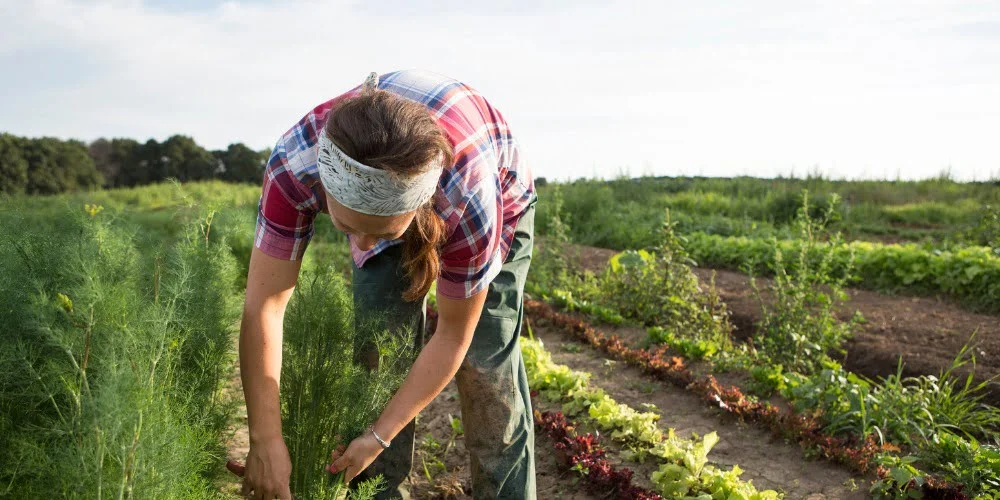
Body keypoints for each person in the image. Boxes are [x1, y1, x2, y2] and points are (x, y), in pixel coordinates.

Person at [238, 70, 537, 500]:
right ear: (325, 188)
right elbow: (264, 306)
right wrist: (264, 441)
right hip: (396, 200)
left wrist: (380, 436)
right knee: (376, 357)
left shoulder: (467, 198)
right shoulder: (294, 166)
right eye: (346, 226)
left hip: (498, 188)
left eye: (383, 235)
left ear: (416, 210)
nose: (361, 247)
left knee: (487, 367)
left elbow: (453, 333)